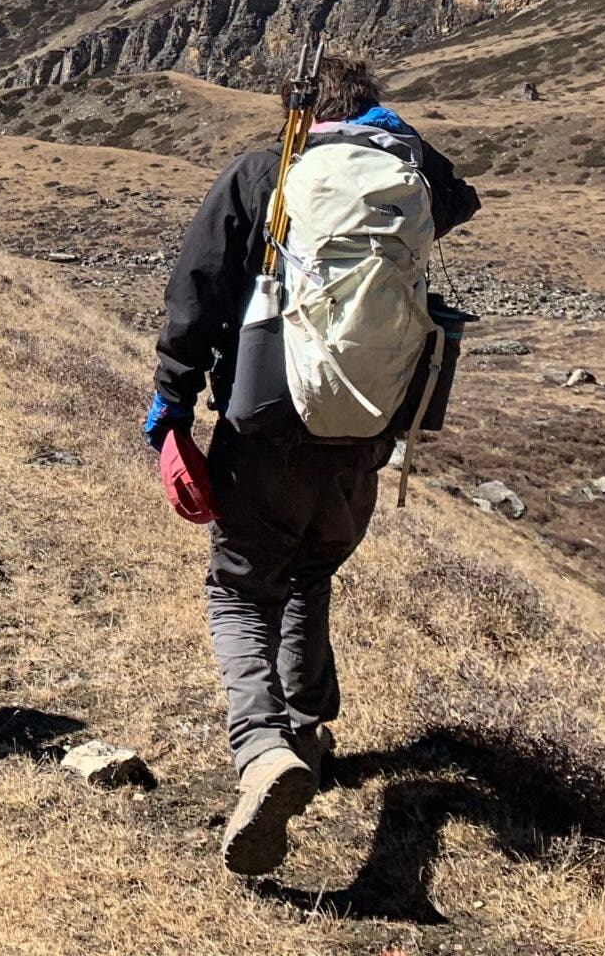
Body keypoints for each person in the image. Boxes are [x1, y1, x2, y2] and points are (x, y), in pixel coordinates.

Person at [144, 53, 479, 877]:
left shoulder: (267, 175)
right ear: (373, 112)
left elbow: (195, 293)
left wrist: (171, 413)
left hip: (267, 421)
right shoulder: (410, 180)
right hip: (366, 430)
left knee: (240, 584)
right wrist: (401, 146)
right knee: (309, 569)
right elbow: (460, 200)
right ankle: (307, 729)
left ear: (299, 109)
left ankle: (262, 750)